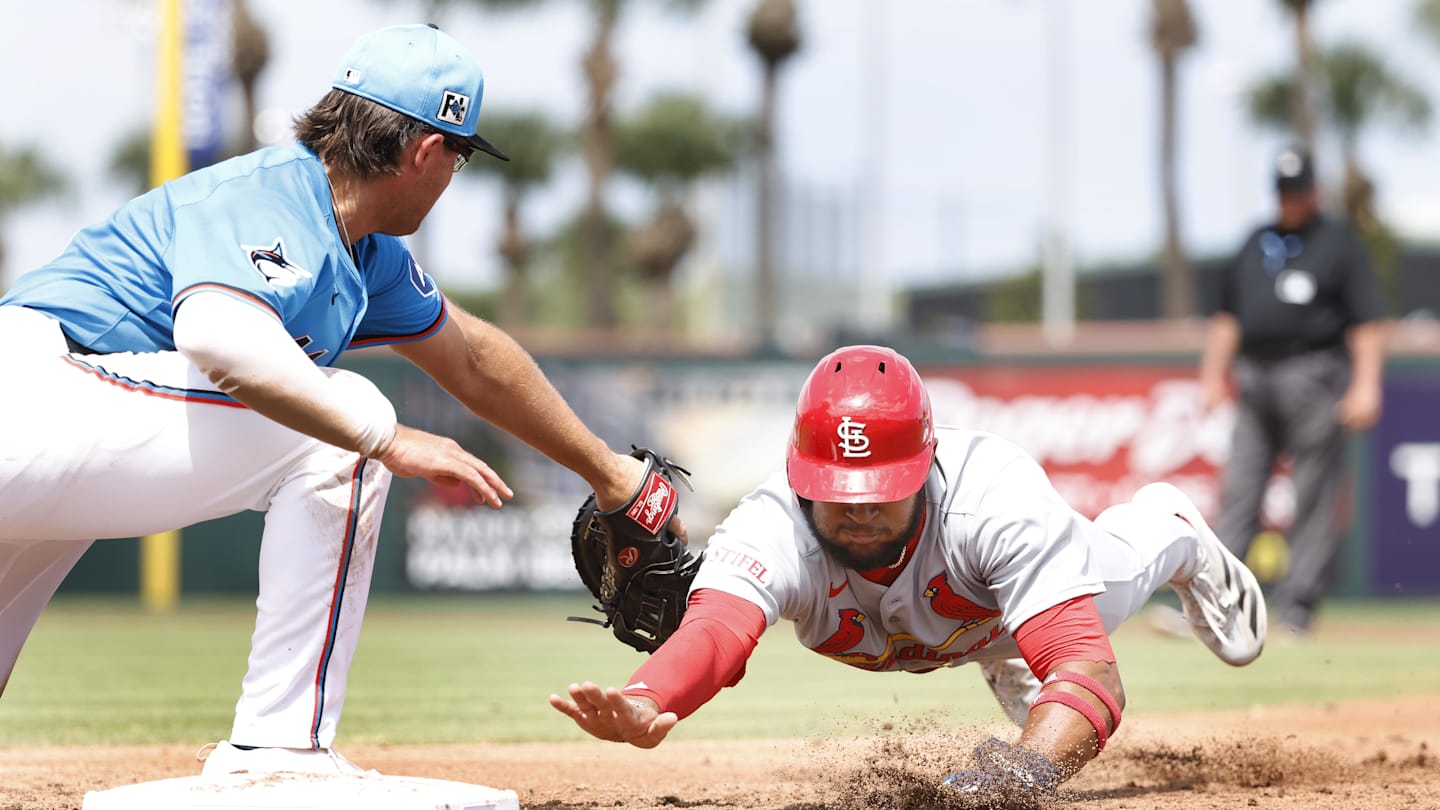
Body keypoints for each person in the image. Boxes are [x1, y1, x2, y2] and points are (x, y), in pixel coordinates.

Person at [0, 24, 658, 777]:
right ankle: (280, 749)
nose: (455, 173)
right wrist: (383, 435)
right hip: (34, 388)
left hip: (53, 421)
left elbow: (474, 360)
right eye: (460, 152)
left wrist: (611, 473)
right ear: (424, 152)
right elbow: (219, 335)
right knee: (340, 431)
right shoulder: (272, 195)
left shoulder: (363, 251)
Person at [550, 344, 1267, 799]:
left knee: (1105, 598)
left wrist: (1014, 780)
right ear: (802, 476)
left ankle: (1169, 529)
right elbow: (714, 633)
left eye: (879, 492)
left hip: (998, 595)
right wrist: (647, 697)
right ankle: (1002, 644)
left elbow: (1094, 675)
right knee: (1000, 644)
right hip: (965, 613)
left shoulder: (993, 499)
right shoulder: (772, 524)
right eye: (838, 493)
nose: (858, 513)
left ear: (923, 471)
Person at [1196, 146, 1387, 636]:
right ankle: (1216, 605)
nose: (1289, 201)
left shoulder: (1337, 243)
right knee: (1240, 490)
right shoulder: (1255, 241)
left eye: (1297, 191)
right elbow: (1227, 316)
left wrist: (1366, 385)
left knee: (1313, 495)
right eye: (1282, 191)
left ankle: (1298, 608)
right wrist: (1213, 373)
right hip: (1255, 376)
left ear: (1314, 192)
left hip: (1315, 372)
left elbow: (1366, 321)